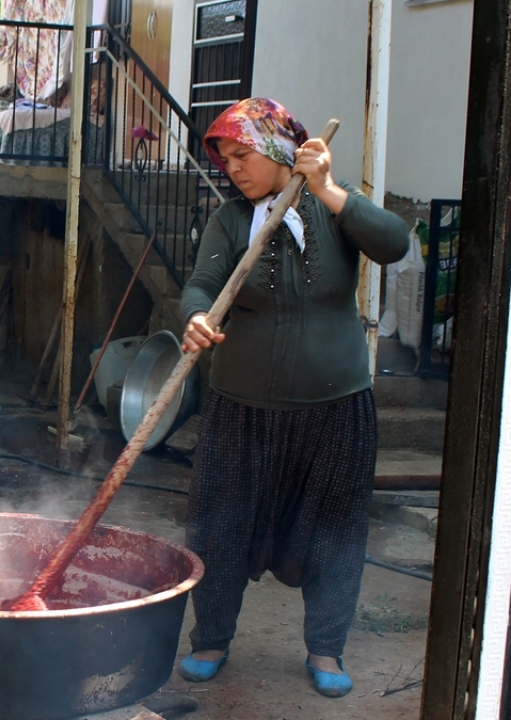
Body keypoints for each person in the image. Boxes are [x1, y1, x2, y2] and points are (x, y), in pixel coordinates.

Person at [176, 98, 410, 697]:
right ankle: (211, 638)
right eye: (226, 159)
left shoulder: (335, 206)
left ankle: (326, 647)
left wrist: (327, 189)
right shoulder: (232, 220)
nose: (233, 168)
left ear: (280, 149)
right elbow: (202, 284)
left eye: (243, 154)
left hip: (335, 410)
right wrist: (197, 316)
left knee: (335, 532)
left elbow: (394, 244)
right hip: (239, 409)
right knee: (221, 525)